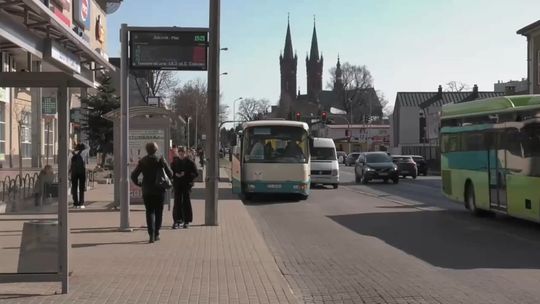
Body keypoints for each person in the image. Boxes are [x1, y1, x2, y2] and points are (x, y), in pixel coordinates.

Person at [131, 142, 173, 243]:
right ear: (156, 150)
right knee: (159, 212)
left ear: (147, 150)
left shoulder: (143, 161)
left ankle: (151, 235)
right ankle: (157, 233)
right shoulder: (160, 159)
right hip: (159, 190)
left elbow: (133, 175)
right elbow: (170, 174)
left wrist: (140, 184)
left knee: (149, 212)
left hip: (147, 190)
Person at [170, 146, 198, 229]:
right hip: (177, 185)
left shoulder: (190, 162)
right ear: (178, 153)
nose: (181, 153)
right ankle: (176, 220)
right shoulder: (175, 162)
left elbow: (196, 173)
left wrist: (185, 174)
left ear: (186, 153)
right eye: (180, 152)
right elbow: (170, 172)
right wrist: (175, 174)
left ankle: (186, 221)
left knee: (186, 202)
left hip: (186, 185)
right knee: (177, 202)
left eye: (183, 152)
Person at [70, 143, 87, 209]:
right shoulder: (83, 153)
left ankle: (75, 203)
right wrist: (83, 143)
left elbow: (69, 164)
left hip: (74, 172)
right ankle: (81, 203)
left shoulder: (71, 153)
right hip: (81, 172)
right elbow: (88, 147)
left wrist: (69, 172)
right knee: (81, 188)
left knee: (74, 188)